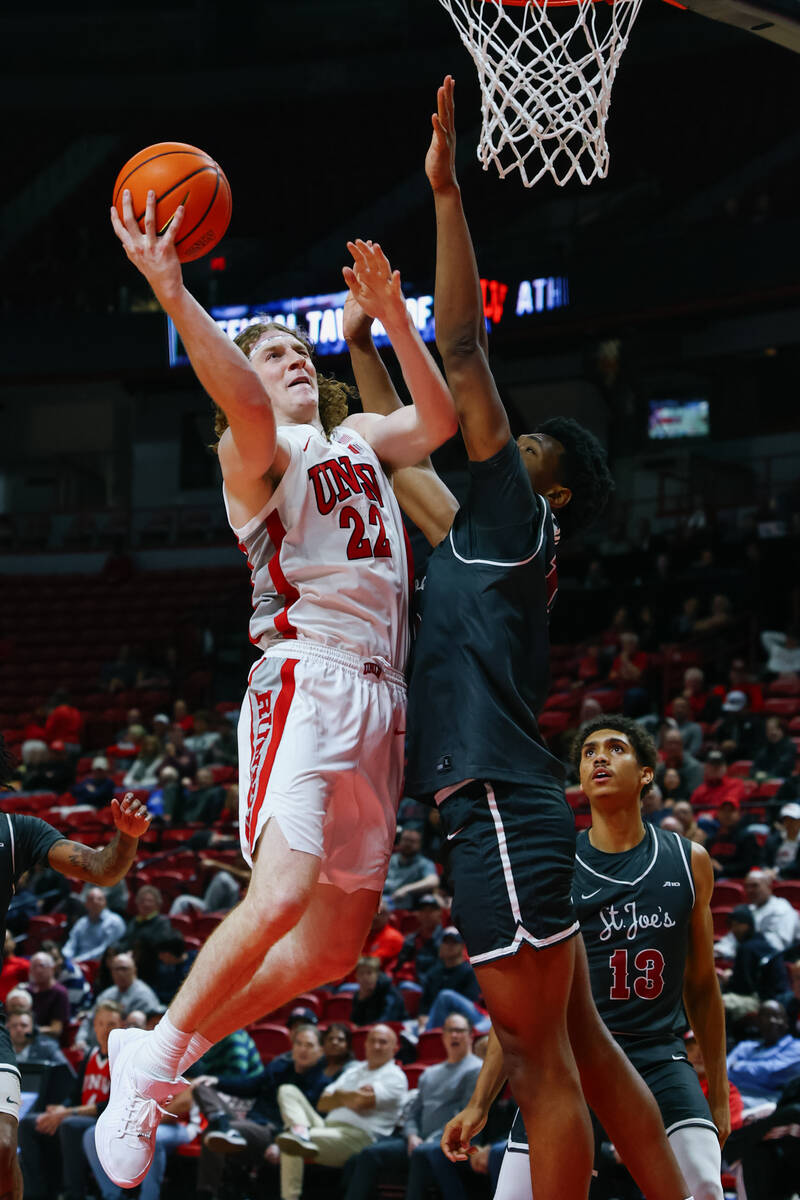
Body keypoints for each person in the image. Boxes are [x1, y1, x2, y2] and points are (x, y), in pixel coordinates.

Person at [357, 78, 688, 1200]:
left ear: (545, 477)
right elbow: (402, 460)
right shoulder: (483, 542)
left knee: (545, 1070)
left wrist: (446, 196)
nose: (513, 437)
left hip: (496, 801)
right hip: (507, 799)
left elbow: (458, 353)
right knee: (583, 1052)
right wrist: (364, 345)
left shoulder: (510, 512)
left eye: (530, 439)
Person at [98, 185, 456, 1188]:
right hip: (306, 678)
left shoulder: (358, 443)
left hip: (382, 699)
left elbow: (433, 416)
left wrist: (384, 322)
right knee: (283, 892)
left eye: (300, 355)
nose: (291, 365)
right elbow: (245, 401)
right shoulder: (252, 450)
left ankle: (166, 1046)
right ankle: (150, 1067)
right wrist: (174, 296)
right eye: (272, 356)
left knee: (335, 951)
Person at [444, 715, 729, 1200]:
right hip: (567, 1063)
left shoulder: (689, 860)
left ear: (645, 774)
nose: (599, 756)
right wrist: (479, 1103)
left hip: (657, 1055)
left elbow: (702, 985)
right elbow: (525, 1001)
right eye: (588, 751)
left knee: (702, 1186)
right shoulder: (556, 866)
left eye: (616, 748)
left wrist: (719, 1097)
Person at [342, 1013, 482, 1200]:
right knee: (369, 1154)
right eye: (450, 1030)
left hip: (454, 1141)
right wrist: (412, 1136)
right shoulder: (429, 1073)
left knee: (422, 1153)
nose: (454, 1035)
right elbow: (413, 1113)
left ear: (470, 1035)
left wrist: (431, 1140)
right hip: (419, 1142)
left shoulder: (476, 1069)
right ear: (443, 1035)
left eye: (459, 1031)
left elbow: (467, 1115)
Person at [191, 1022, 327, 1198]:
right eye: (299, 1044)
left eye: (309, 1045)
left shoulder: (322, 1083)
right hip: (249, 1122)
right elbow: (250, 1085)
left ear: (321, 1051)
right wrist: (216, 1080)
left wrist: (279, 1144)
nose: (302, 1049)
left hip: (270, 1132)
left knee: (214, 1131)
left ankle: (207, 1193)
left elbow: (310, 1124)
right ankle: (222, 1124)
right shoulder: (279, 1066)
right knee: (201, 1086)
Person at [276, 1024, 408, 1200]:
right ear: (365, 1044)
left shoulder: (395, 1076)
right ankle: (300, 1131)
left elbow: (360, 1101)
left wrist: (338, 1096)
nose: (376, 1046)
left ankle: (290, 1195)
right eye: (372, 1041)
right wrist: (350, 1096)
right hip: (326, 1126)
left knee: (290, 1141)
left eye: (383, 1042)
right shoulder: (354, 1070)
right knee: (287, 1090)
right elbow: (323, 1103)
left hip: (358, 1137)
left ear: (395, 1048)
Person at [17, 1001, 124, 1200]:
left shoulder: (124, 1059)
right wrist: (62, 1108)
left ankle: (73, 1193)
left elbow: (111, 1105)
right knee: (29, 1123)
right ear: (94, 1026)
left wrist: (68, 1112)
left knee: (69, 1125)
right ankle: (36, 1192)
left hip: (104, 1120)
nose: (105, 1029)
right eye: (101, 1023)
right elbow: (75, 1095)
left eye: (112, 1024)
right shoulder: (90, 1055)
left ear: (122, 1027)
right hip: (79, 1114)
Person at [716, 906, 789, 1021]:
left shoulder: (747, 948)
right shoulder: (761, 942)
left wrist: (728, 981)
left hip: (760, 1000)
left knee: (715, 1002)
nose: (733, 930)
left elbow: (744, 988)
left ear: (746, 925)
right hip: (776, 998)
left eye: (736, 925)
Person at [726, 1000, 800, 1107]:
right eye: (766, 1016)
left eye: (777, 1016)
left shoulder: (796, 1047)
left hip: (767, 1103)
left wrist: (737, 1066)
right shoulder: (745, 1047)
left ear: (786, 1022)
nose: (772, 1021)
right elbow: (723, 1072)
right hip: (731, 1096)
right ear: (758, 1022)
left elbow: (771, 1073)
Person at [715, 868, 800, 958]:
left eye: (755, 886)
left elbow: (779, 945)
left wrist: (746, 945)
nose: (750, 890)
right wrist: (719, 951)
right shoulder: (748, 910)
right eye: (747, 887)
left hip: (777, 962)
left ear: (768, 886)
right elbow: (732, 939)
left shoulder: (782, 908)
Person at [62, 887, 126, 963]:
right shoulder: (82, 922)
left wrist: (79, 960)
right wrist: (67, 957)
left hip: (101, 964)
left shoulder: (114, 921)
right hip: (75, 962)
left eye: (99, 899)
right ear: (85, 903)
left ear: (105, 902)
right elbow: (71, 943)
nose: (95, 902)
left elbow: (105, 949)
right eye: (91, 899)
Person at [383, 829, 439, 910]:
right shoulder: (389, 860)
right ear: (399, 841)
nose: (408, 844)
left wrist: (406, 889)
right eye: (405, 840)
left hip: (405, 906)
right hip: (381, 902)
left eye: (412, 841)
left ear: (419, 844)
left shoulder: (424, 863)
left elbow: (433, 881)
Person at [350, 956, 405, 1026]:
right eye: (361, 973)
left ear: (377, 974)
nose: (365, 977)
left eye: (369, 973)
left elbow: (388, 1018)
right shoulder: (358, 994)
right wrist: (361, 1001)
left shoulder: (389, 990)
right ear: (356, 976)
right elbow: (355, 1022)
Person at [751, 715, 797, 780]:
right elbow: (754, 768)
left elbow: (782, 768)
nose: (773, 732)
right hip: (764, 781)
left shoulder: (790, 746)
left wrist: (766, 775)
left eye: (776, 729)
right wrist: (756, 773)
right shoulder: (764, 747)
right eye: (769, 730)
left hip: (783, 782)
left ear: (783, 730)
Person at [765, 801, 800, 876]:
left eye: (792, 820)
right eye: (785, 819)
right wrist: (765, 869)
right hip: (771, 877)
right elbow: (764, 860)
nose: (789, 823)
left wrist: (777, 871)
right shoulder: (773, 839)